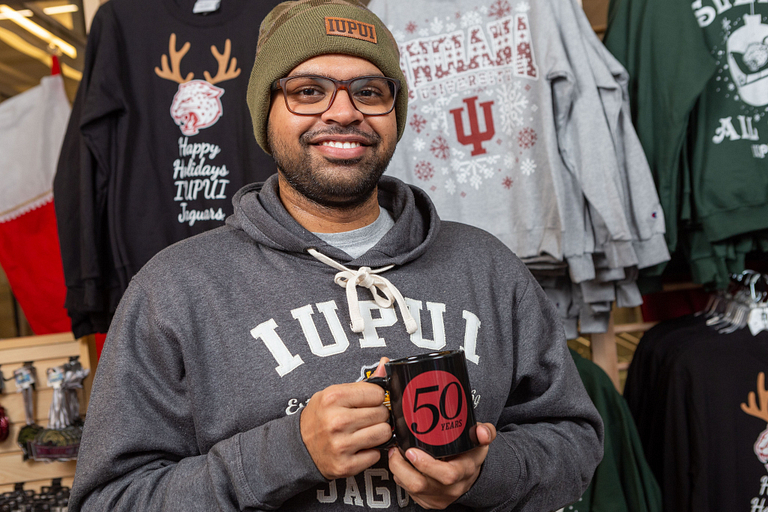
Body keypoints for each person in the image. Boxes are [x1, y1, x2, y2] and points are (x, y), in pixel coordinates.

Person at [68, 1, 603, 510]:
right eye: (308, 90)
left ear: (396, 111)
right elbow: (109, 500)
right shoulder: (174, 290)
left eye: (370, 91)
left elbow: (574, 442)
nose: (344, 112)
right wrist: (288, 453)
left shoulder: (486, 266)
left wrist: (485, 474)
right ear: (265, 113)